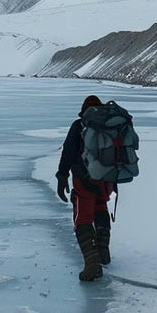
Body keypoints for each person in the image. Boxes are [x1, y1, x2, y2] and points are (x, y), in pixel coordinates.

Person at [55, 94, 114, 281]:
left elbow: (69, 150)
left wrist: (62, 175)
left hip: (84, 179)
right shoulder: (110, 124)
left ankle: (92, 263)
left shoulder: (79, 125)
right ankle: (103, 252)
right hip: (107, 180)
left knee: (83, 218)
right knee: (101, 209)